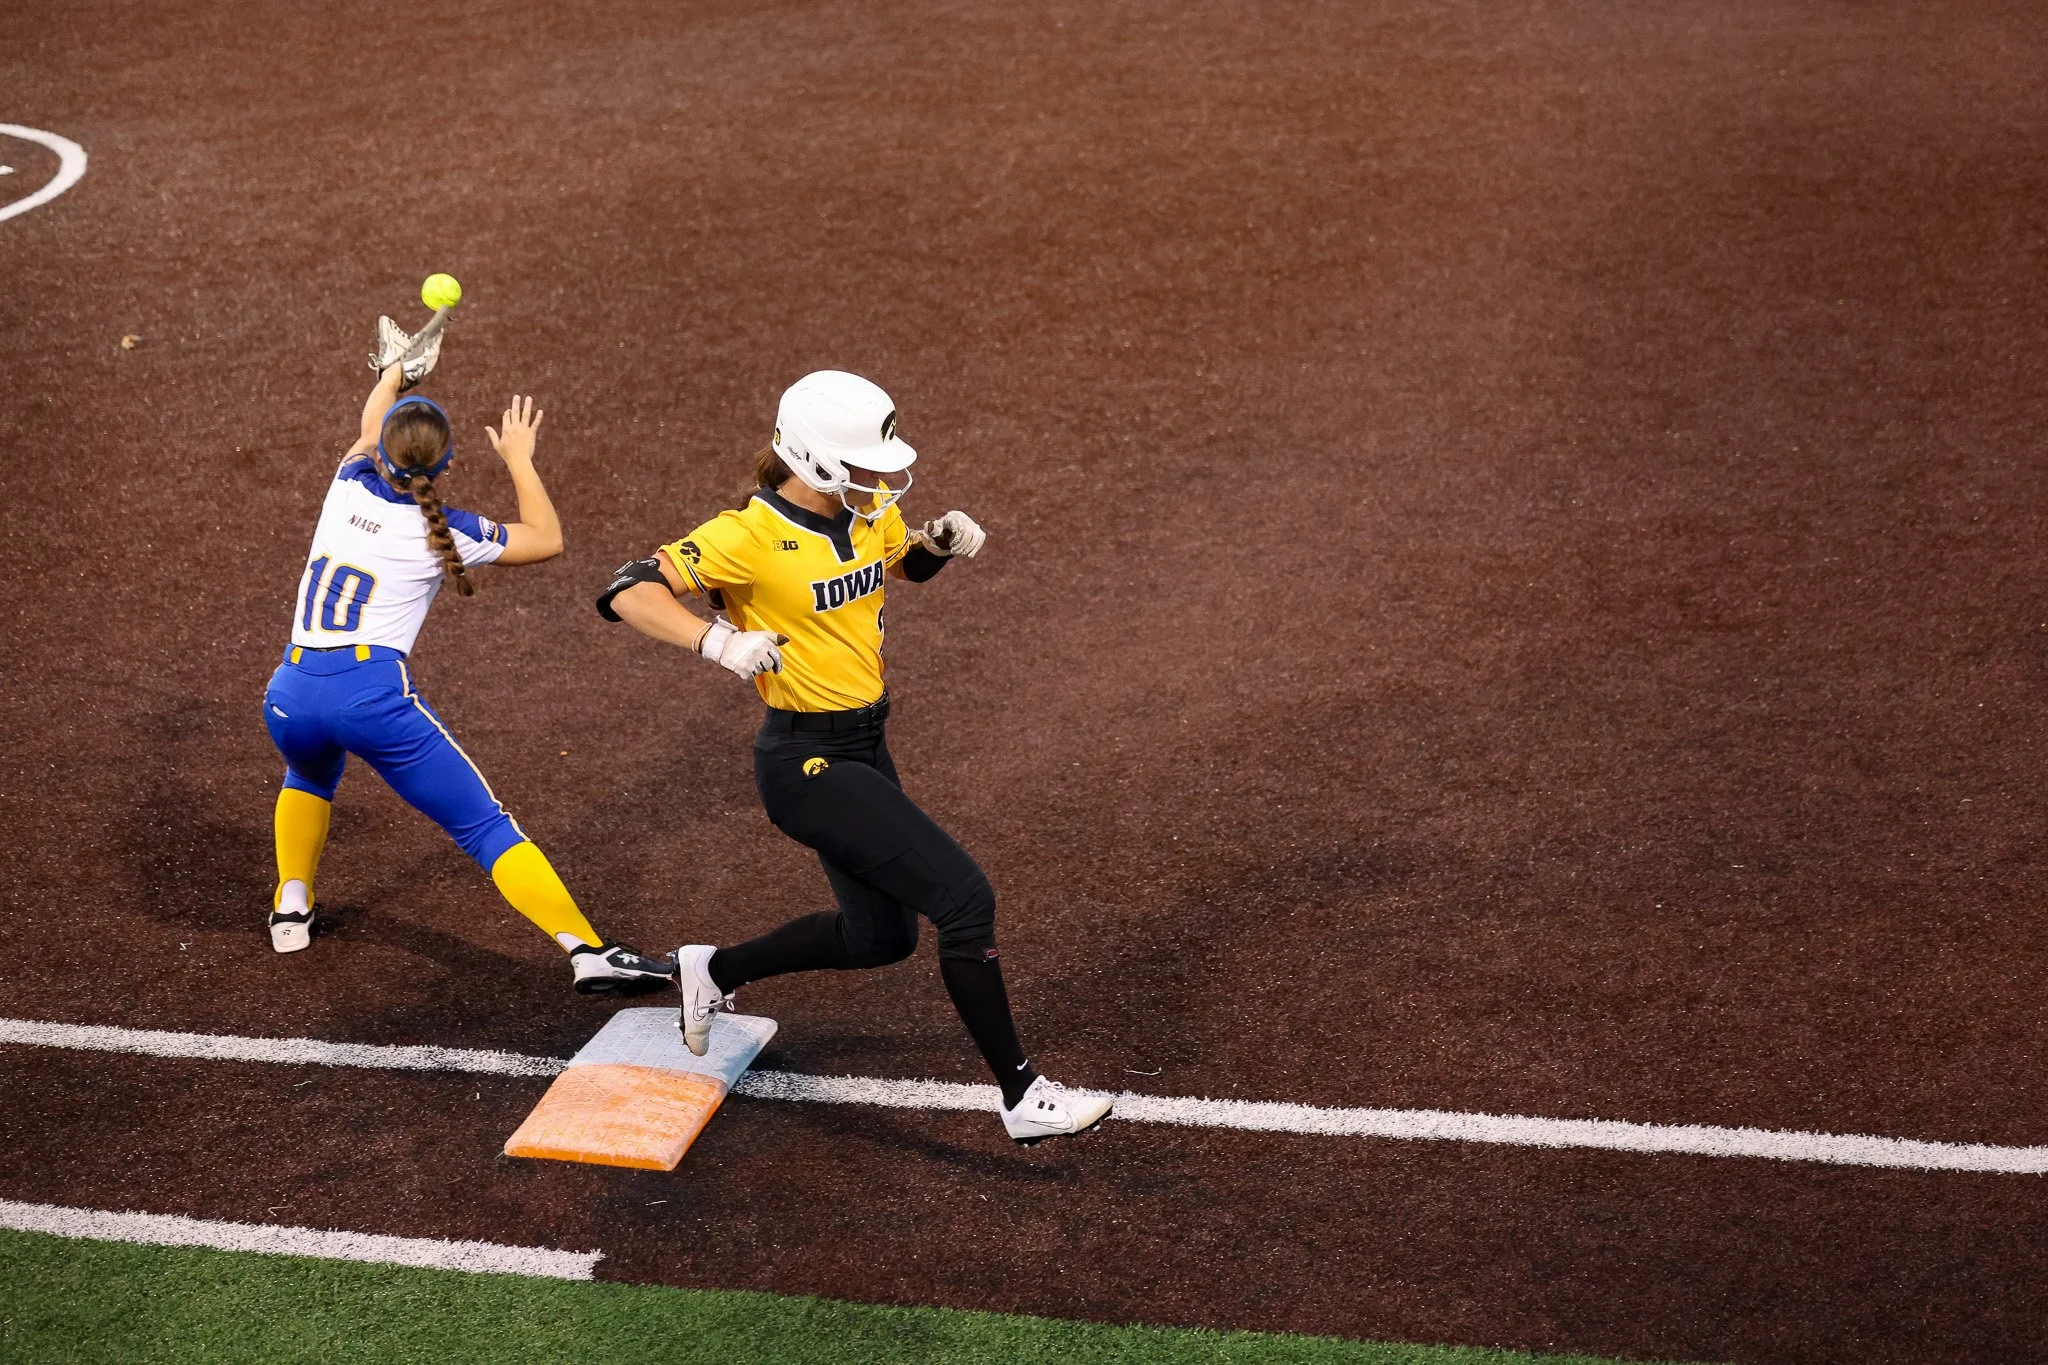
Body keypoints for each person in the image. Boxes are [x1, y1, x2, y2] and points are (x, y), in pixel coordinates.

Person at [599, 369, 1112, 1144]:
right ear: (816, 460)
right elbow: (626, 590)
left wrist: (936, 546)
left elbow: (899, 562)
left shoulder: (865, 511)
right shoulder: (747, 535)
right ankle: (1022, 1095)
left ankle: (714, 970)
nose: (881, 480)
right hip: (804, 762)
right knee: (965, 899)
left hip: (866, 745)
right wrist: (717, 641)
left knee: (881, 938)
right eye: (865, 465)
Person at [262, 361, 673, 995]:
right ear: (446, 465)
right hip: (368, 698)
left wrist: (392, 375)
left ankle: (291, 905)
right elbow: (547, 538)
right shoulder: (445, 530)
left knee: (309, 774)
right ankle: (587, 951)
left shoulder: (347, 485)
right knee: (484, 826)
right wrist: (519, 459)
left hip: (289, 694)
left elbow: (369, 431)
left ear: (382, 456)